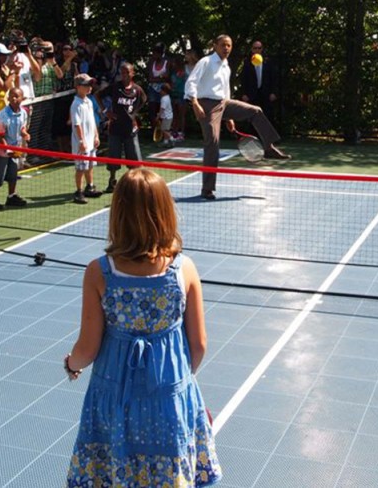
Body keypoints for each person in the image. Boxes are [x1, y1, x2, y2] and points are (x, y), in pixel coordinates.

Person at [63, 168, 222, 487]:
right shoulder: (184, 269)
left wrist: (71, 364)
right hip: (167, 394)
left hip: (113, 395)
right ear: (165, 212)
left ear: (117, 214)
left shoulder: (99, 273)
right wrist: (180, 381)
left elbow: (87, 348)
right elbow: (199, 344)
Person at [185, 34, 290, 200]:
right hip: (206, 105)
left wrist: (230, 117)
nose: (226, 48)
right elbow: (191, 82)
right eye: (223, 45)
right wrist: (195, 103)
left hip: (224, 104)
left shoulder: (226, 66)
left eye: (229, 45)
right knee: (212, 142)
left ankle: (268, 147)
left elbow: (226, 91)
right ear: (215, 45)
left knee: (255, 111)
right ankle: (207, 189)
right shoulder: (205, 62)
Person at [102, 62, 146, 193]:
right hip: (115, 128)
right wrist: (106, 111)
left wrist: (135, 113)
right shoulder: (115, 87)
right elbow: (98, 95)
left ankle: (136, 183)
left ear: (132, 73)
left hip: (130, 129)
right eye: (122, 72)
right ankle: (112, 181)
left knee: (134, 159)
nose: (125, 75)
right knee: (114, 156)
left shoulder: (137, 90)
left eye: (127, 72)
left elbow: (144, 99)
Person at [0, 87, 30, 210]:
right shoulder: (2, 116)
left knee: (12, 174)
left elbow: (21, 128)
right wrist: (8, 150)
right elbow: (1, 137)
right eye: (12, 96)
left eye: (17, 96)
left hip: (13, 149)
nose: (14, 98)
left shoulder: (23, 113)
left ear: (22, 98)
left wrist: (25, 134)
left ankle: (11, 196)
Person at [70, 73, 102, 204]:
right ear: (78, 87)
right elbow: (77, 124)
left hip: (91, 142)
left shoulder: (89, 101)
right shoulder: (76, 104)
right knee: (80, 168)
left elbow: (92, 121)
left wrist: (96, 135)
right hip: (81, 144)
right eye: (86, 85)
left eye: (90, 84)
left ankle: (90, 186)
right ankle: (79, 191)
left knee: (89, 166)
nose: (89, 87)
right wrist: (81, 141)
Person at [239, 40, 278, 124]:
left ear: (262, 49)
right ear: (252, 50)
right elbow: (244, 79)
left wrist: (273, 92)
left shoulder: (267, 62)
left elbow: (273, 78)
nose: (257, 50)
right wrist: (244, 93)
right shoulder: (247, 62)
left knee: (267, 116)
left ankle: (266, 136)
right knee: (252, 117)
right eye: (255, 48)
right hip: (252, 94)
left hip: (265, 94)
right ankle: (253, 136)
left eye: (259, 48)